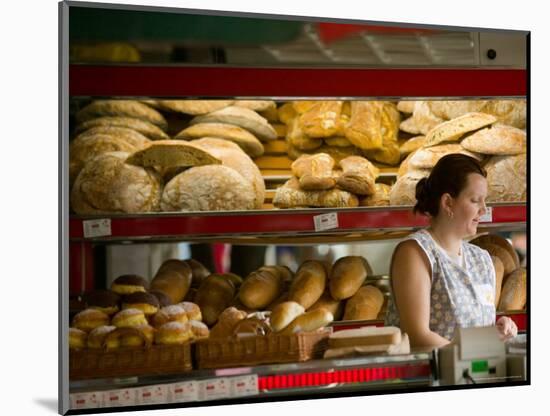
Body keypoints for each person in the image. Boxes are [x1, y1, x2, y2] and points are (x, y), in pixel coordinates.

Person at [385, 154, 518, 348]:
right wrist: (471, 355)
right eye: (475, 200)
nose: (484, 209)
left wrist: (495, 332)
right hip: (430, 376)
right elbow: (416, 335)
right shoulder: (415, 252)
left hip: (476, 374)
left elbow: (473, 330)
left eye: (484, 201)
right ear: (448, 202)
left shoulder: (481, 259)